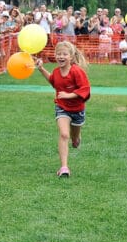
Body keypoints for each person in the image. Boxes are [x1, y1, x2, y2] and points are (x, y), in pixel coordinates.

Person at [35, 41, 90, 178]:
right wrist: (41, 69)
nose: (61, 56)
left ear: (71, 56)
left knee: (75, 140)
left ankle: (76, 137)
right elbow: (53, 81)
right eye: (58, 54)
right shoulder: (56, 72)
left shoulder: (77, 71)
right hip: (62, 107)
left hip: (77, 109)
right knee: (64, 134)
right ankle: (64, 167)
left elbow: (85, 90)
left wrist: (68, 95)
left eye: (64, 54)